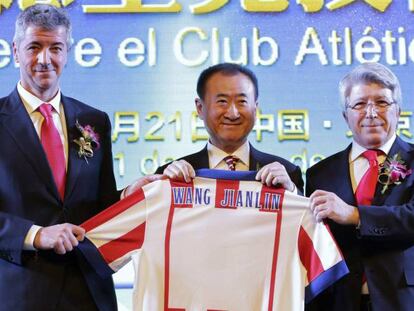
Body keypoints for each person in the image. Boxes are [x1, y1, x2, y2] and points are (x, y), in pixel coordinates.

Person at [0, 4, 158, 310]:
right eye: (34, 47)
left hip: (88, 292)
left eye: (55, 48)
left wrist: (129, 196)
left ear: (67, 53)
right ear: (16, 51)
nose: (45, 59)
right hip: (19, 293)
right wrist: (36, 235)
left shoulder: (93, 120)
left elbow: (99, 205)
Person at [306, 63, 414, 311]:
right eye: (359, 104)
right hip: (340, 301)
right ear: (346, 116)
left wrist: (354, 215)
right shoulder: (319, 174)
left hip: (403, 300)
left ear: (398, 111)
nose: (371, 112)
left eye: (382, 102)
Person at [156, 63, 304, 193]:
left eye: (242, 101)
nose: (233, 113)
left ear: (255, 108)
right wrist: (163, 188)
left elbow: (307, 221)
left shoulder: (287, 173)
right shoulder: (171, 175)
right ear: (200, 108)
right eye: (222, 101)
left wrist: (291, 192)